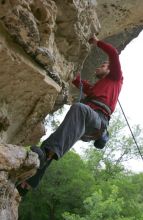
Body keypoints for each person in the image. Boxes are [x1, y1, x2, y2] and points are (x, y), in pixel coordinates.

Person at [17, 35, 123, 196]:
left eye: (103, 65)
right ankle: (28, 183)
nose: (99, 67)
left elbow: (113, 54)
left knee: (79, 108)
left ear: (109, 70)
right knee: (59, 138)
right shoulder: (96, 89)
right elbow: (79, 82)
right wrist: (69, 69)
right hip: (89, 123)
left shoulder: (116, 78)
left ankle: (46, 153)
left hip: (98, 122)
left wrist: (96, 42)